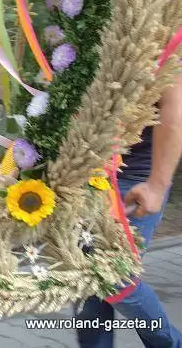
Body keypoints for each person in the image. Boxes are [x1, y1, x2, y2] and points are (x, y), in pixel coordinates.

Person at [74, 75, 182, 347]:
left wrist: (157, 185)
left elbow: (175, 110)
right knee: (85, 281)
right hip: (85, 174)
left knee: (115, 277)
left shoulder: (163, 47)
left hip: (135, 179)